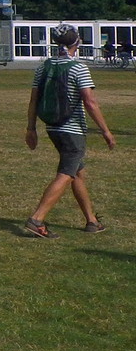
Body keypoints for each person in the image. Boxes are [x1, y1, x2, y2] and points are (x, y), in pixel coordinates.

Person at [23, 25, 117, 238]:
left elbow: (33, 100)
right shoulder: (78, 67)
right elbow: (90, 102)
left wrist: (31, 128)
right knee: (66, 174)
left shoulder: (44, 66)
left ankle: (91, 221)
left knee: (77, 173)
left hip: (52, 127)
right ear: (77, 42)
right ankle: (37, 219)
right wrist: (106, 131)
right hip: (72, 130)